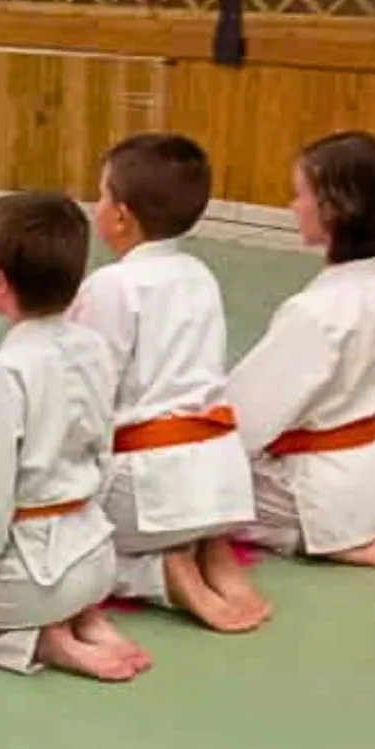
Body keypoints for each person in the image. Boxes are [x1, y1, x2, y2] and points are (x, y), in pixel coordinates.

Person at [0, 193, 140, 681]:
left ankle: (42, 638)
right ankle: (83, 616)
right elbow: (104, 459)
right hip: (97, 557)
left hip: (30, 579)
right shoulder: (94, 348)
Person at [70, 133, 270, 633]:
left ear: (120, 216)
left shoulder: (111, 286)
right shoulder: (200, 274)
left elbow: (90, 392)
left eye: (101, 195)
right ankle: (211, 550)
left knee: (60, 553)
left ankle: (162, 571)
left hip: (148, 492)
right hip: (221, 478)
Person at [228, 132, 375, 567]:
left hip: (322, 485)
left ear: (336, 209)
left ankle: (332, 536)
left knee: (189, 494)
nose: (292, 206)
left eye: (300, 194)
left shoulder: (314, 311)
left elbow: (248, 421)